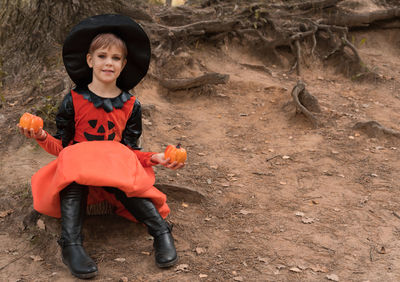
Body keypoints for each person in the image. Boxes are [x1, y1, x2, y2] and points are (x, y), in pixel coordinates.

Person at [17, 14, 184, 279]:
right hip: (79, 170)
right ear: (89, 60)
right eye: (103, 56)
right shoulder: (72, 100)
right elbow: (63, 148)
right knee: (73, 162)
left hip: (114, 172)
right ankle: (71, 244)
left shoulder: (131, 105)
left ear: (124, 63)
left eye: (116, 58)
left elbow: (130, 151)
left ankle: (161, 232)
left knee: (119, 162)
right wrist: (40, 136)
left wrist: (155, 158)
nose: (109, 62)